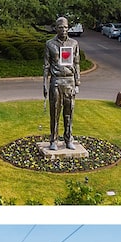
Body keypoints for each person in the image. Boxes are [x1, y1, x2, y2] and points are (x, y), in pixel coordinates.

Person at [43, 17, 81, 150]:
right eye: (60, 27)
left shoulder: (74, 43)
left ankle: (68, 139)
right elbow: (46, 65)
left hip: (69, 81)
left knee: (69, 112)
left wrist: (77, 83)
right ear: (56, 28)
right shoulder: (50, 44)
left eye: (65, 27)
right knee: (55, 112)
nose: (63, 30)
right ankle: (53, 140)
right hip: (56, 81)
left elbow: (76, 64)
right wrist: (44, 84)